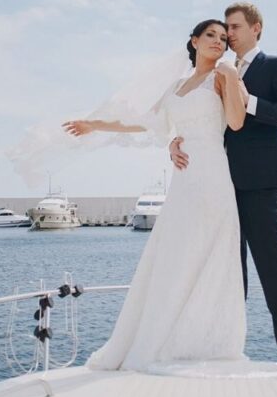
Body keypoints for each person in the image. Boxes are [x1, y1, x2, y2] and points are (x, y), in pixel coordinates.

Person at [63, 19, 249, 371]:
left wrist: (233, 75)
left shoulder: (222, 77)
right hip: (184, 177)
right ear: (193, 41)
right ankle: (165, 336)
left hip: (212, 173)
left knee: (210, 252)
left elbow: (236, 123)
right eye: (210, 35)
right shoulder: (176, 87)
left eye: (224, 38)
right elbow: (141, 122)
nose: (218, 42)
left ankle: (204, 340)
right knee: (175, 253)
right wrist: (93, 124)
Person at [169, 2, 277, 371]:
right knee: (227, 269)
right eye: (224, 28)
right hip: (216, 182)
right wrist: (175, 141)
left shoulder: (275, 65)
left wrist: (251, 103)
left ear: (256, 28)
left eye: (233, 27)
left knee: (271, 265)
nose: (228, 34)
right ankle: (222, 349)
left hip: (259, 184)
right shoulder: (215, 72)